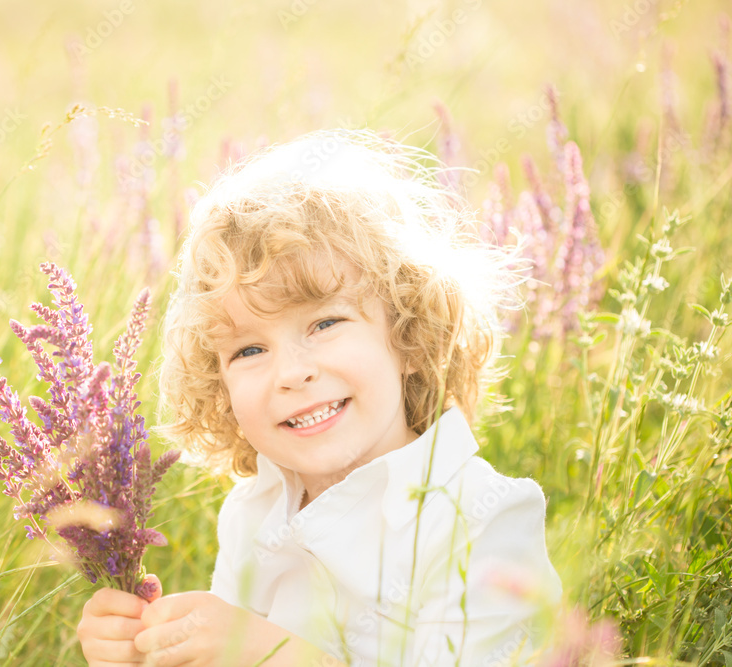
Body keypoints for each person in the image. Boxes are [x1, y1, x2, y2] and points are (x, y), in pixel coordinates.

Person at [77, 129, 562, 666]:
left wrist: (275, 653)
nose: (291, 372)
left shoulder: (479, 520)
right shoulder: (254, 511)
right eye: (249, 350)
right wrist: (142, 652)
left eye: (325, 322)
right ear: (219, 389)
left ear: (409, 335)